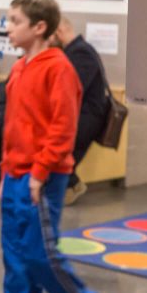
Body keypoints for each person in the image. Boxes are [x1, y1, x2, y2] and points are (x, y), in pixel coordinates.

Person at [0, 0, 106, 293]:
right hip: (16, 176)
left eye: (15, 21)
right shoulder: (20, 68)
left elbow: (62, 129)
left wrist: (38, 173)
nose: (8, 28)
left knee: (40, 256)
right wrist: (6, 171)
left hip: (43, 178)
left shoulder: (59, 68)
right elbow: (14, 128)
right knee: (15, 256)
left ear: (39, 28)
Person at [54, 18, 113, 206]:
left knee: (62, 154)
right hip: (84, 115)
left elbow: (74, 87)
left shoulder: (80, 52)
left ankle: (73, 186)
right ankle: (69, 187)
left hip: (88, 117)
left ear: (59, 31)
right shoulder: (76, 50)